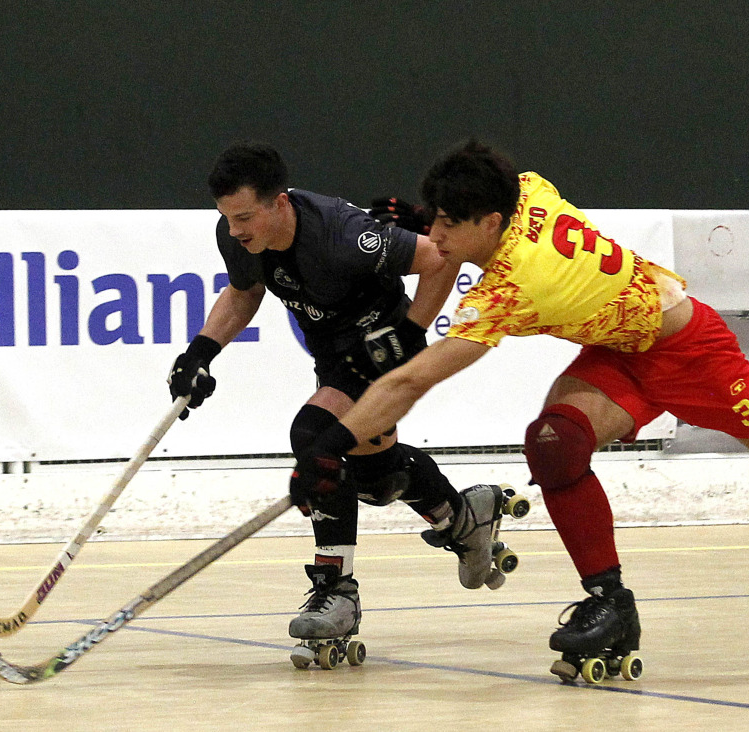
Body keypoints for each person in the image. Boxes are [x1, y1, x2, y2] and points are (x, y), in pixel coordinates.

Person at [290, 139, 749, 680]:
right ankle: (610, 605)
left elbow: (414, 379)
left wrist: (331, 443)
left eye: (449, 226)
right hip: (619, 352)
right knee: (555, 446)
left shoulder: (515, 285)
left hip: (691, 351)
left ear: (489, 224)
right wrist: (425, 219)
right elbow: (474, 212)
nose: (437, 238)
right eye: (436, 221)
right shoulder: (528, 188)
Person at [167, 142, 512, 656]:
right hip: (334, 358)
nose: (235, 231)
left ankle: (336, 591)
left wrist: (412, 332)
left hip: (379, 351)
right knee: (375, 478)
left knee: (314, 440)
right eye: (227, 219)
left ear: (279, 202)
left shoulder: (343, 235)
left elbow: (440, 255)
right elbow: (244, 291)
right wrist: (201, 350)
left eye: (244, 218)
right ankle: (464, 517)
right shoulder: (238, 236)